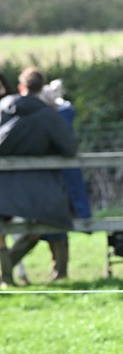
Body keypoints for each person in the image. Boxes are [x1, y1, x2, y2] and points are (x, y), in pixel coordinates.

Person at [0, 68, 78, 288]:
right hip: (38, 189)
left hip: (3, 188)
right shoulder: (47, 115)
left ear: (20, 87)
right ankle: (58, 273)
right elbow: (69, 148)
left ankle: (5, 278)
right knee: (41, 227)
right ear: (41, 87)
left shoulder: (2, 109)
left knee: (2, 233)